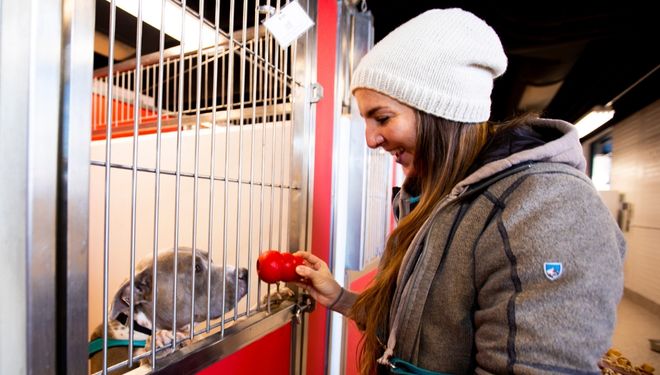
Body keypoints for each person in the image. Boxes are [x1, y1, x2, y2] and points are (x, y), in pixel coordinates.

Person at [294, 8, 626, 375]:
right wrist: (339, 296)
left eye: (383, 118)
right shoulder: (438, 199)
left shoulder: (548, 207)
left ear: (439, 109)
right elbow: (418, 324)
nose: (371, 139)